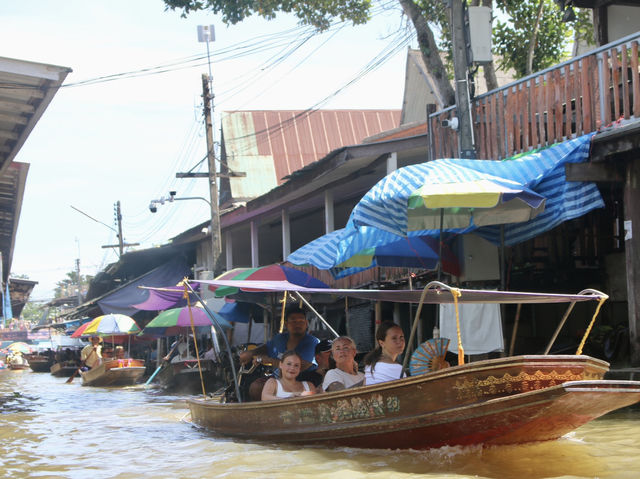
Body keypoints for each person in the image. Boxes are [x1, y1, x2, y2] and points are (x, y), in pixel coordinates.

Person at [239, 306, 320, 374]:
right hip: (280, 378)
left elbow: (301, 366)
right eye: (293, 321)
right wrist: (251, 353)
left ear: (306, 324)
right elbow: (267, 347)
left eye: (301, 321)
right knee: (255, 386)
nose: (297, 324)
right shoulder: (280, 338)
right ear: (286, 324)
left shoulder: (312, 342)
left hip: (304, 380)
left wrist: (269, 360)